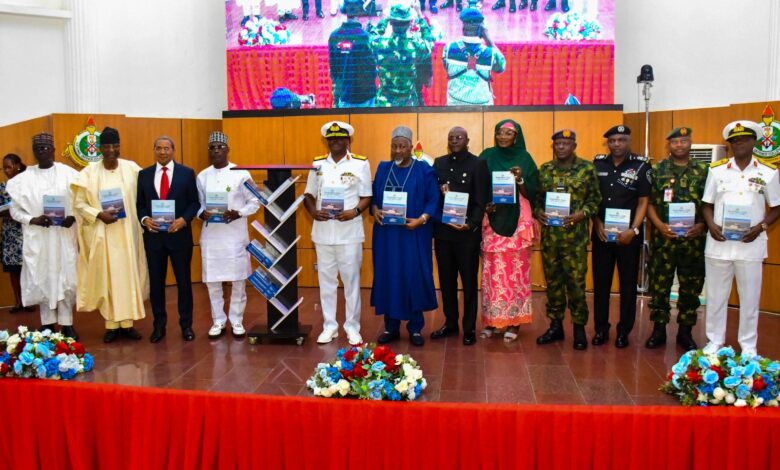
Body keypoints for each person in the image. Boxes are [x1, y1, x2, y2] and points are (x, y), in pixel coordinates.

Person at [701, 121, 780, 357]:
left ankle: (748, 345)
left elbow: (777, 206)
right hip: (719, 244)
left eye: (744, 140)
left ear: (754, 142)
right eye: (734, 141)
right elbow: (707, 204)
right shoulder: (717, 170)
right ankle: (714, 341)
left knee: (750, 299)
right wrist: (711, 224)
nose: (739, 144)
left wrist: (761, 227)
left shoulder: (768, 172)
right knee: (716, 296)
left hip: (750, 246)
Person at [71, 127, 149, 343]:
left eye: (115, 145)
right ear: (100, 148)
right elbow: (79, 204)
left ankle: (128, 324)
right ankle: (111, 326)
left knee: (128, 277)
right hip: (103, 235)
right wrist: (98, 214)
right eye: (107, 146)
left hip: (128, 234)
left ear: (119, 146)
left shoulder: (132, 169)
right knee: (108, 278)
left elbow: (145, 196)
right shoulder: (88, 173)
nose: (111, 150)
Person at [304, 121, 372, 345]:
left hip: (349, 233)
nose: (335, 141)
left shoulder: (360, 163)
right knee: (326, 283)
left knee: (351, 282)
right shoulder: (317, 164)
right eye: (331, 138)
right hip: (323, 233)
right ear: (327, 141)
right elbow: (309, 195)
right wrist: (313, 212)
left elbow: (367, 196)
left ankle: (352, 327)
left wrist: (355, 212)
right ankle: (329, 326)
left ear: (348, 140)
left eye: (340, 138)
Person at [371, 126, 440, 346]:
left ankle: (415, 328)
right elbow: (373, 197)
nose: (398, 151)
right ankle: (391, 327)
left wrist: (422, 219)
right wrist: (374, 209)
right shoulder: (383, 168)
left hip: (414, 234)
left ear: (411, 147)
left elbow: (434, 199)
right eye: (394, 146)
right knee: (389, 276)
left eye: (402, 146)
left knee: (413, 277)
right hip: (387, 236)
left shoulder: (424, 170)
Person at [6, 133, 79, 339]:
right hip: (39, 237)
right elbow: (15, 211)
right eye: (38, 149)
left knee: (65, 278)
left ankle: (67, 323)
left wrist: (73, 217)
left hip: (62, 236)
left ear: (53, 150)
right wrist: (32, 219)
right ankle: (47, 324)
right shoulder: (23, 180)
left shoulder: (69, 174)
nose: (42, 152)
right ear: (34, 152)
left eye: (46, 148)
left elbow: (81, 202)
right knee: (42, 278)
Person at [535, 129, 601, 350]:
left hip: (575, 240)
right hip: (551, 239)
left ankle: (579, 328)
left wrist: (582, 214)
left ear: (574, 145)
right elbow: (536, 199)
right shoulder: (545, 170)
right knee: (553, 283)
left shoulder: (587, 169)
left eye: (566, 143)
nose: (561, 147)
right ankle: (555, 326)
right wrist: (538, 212)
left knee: (576, 284)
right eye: (558, 143)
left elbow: (595, 200)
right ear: (553, 146)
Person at [644, 127, 708, 351]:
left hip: (693, 241)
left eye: (684, 141)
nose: (679, 145)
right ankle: (658, 330)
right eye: (674, 142)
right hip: (664, 240)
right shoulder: (657, 170)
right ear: (668, 145)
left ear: (690, 143)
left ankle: (685, 332)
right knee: (659, 286)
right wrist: (659, 226)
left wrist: (703, 224)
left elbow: (710, 204)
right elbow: (648, 203)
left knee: (691, 287)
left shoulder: (704, 171)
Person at [478, 120, 539, 342]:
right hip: (493, 219)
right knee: (492, 273)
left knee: (516, 273)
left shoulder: (525, 158)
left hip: (518, 220)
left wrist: (520, 178)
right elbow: (479, 185)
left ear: (516, 137)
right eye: (500, 133)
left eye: (508, 133)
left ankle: (514, 322)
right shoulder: (487, 155)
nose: (503, 137)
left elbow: (534, 191)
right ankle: (492, 321)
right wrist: (485, 204)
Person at [590, 125, 651, 348]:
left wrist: (633, 230)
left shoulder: (641, 165)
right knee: (601, 285)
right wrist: (597, 223)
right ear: (607, 142)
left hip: (628, 238)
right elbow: (591, 199)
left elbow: (644, 202)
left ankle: (624, 331)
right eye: (612, 140)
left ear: (629, 141)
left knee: (627, 285)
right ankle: (601, 329)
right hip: (602, 235)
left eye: (621, 140)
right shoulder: (597, 164)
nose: (617, 144)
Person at [136, 136, 200, 343]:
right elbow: (139, 204)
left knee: (184, 283)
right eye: (159, 148)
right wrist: (145, 219)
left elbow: (194, 203)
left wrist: (184, 220)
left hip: (179, 237)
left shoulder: (186, 173)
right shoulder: (144, 175)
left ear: (173, 150)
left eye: (166, 148)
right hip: (154, 239)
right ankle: (159, 326)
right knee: (156, 285)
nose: (162, 152)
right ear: (154, 150)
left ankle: (186, 325)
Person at [197, 132, 260, 339]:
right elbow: (198, 205)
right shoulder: (202, 176)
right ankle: (218, 321)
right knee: (212, 281)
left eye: (220, 147)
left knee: (238, 280)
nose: (216, 150)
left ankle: (236, 320)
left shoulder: (241, 174)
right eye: (212, 147)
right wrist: (201, 213)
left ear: (227, 149)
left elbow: (255, 202)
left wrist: (238, 213)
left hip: (235, 236)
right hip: (211, 237)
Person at [430, 127, 488, 346]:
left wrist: (471, 224)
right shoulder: (439, 163)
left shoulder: (477, 164)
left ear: (467, 140)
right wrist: (440, 191)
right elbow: (433, 195)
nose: (455, 141)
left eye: (459, 137)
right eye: (451, 138)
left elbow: (481, 199)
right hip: (444, 233)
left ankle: (469, 328)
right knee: (447, 282)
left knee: (469, 283)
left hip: (466, 235)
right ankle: (451, 323)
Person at [370, 4, 433, 107]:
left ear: (391, 22)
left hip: (384, 104)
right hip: (408, 104)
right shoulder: (416, 46)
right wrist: (420, 15)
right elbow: (430, 41)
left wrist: (385, 19)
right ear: (409, 23)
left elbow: (371, 36)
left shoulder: (380, 45)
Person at [442, 8, 506, 106]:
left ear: (463, 27)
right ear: (481, 30)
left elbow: (447, 68)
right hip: (481, 108)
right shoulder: (490, 53)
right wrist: (489, 40)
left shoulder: (449, 48)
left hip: (454, 105)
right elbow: (501, 68)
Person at [328, 0, 377, 108]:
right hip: (366, 96)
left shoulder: (334, 36)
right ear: (360, 11)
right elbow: (372, 70)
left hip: (345, 96)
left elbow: (334, 70)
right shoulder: (366, 37)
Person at [0, 154, 31, 313]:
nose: (6, 170)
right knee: (13, 269)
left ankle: (29, 300)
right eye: (4, 168)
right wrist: (9, 211)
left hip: (27, 231)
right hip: (10, 234)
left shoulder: (27, 184)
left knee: (29, 267)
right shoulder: (2, 187)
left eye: (9, 167)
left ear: (18, 166)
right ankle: (18, 301)